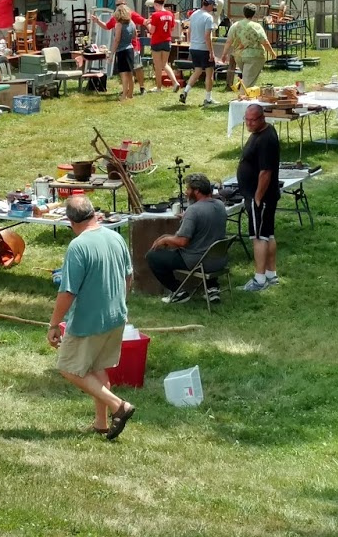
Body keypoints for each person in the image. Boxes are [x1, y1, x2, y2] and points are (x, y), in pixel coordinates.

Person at [49, 194, 136, 441]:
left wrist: (54, 324)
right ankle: (101, 423)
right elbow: (128, 276)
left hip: (89, 322)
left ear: (70, 221)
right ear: (93, 214)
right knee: (97, 368)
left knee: (68, 367)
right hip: (116, 316)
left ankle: (118, 405)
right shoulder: (116, 237)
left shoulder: (78, 246)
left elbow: (67, 291)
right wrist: (120, 302)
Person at [146, 174, 228, 305]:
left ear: (196, 191)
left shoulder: (193, 210)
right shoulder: (219, 205)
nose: (186, 192)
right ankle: (212, 288)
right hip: (219, 260)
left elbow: (182, 242)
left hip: (199, 261)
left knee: (153, 256)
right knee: (207, 243)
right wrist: (188, 217)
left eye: (188, 189)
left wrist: (165, 239)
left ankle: (178, 292)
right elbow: (206, 219)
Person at [239, 103, 282, 291]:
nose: (248, 123)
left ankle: (259, 280)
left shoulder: (266, 139)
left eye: (252, 120)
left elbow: (266, 172)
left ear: (262, 118)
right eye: (246, 120)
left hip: (261, 198)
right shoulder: (262, 132)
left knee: (258, 237)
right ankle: (271, 275)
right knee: (268, 234)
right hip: (265, 197)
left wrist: (257, 198)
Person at [224, 3, 276, 90]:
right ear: (254, 14)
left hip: (239, 56)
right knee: (248, 82)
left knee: (247, 78)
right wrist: (271, 52)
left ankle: (246, 97)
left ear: (243, 12)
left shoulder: (235, 25)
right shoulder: (257, 26)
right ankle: (242, 100)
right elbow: (265, 41)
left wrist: (224, 54)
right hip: (254, 56)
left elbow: (228, 41)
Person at [178, 0, 219, 106]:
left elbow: (189, 30)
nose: (213, 8)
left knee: (197, 71)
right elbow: (207, 36)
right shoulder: (208, 18)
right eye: (213, 6)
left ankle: (185, 91)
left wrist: (190, 43)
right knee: (209, 73)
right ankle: (208, 99)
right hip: (203, 48)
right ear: (209, 5)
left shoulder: (194, 14)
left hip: (193, 47)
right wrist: (211, 52)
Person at [101, 2, 143, 101]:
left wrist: (111, 53)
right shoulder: (132, 23)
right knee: (130, 73)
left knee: (124, 74)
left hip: (122, 50)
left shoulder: (119, 24)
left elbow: (117, 39)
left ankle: (124, 95)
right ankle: (130, 94)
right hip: (130, 49)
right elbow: (134, 36)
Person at [147, 0, 178, 91]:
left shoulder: (155, 15)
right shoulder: (170, 14)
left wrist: (147, 24)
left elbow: (152, 30)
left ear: (157, 4)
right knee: (165, 64)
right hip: (167, 41)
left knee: (157, 66)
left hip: (156, 41)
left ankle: (159, 87)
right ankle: (175, 82)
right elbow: (172, 28)